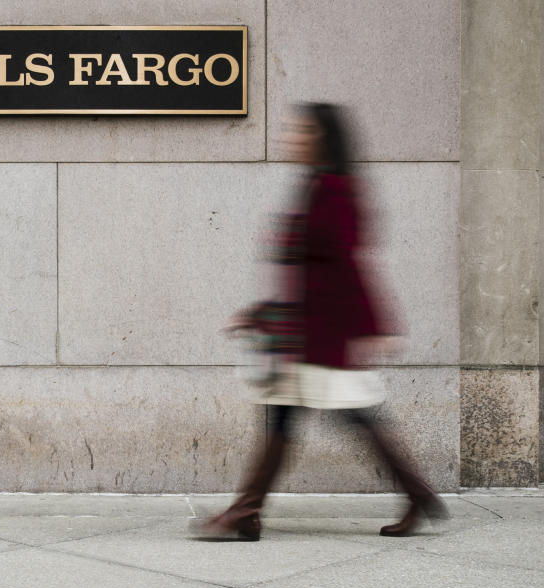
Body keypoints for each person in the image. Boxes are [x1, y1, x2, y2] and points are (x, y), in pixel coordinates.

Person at [191, 103, 447, 540]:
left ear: (321, 138)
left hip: (322, 333)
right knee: (331, 416)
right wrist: (262, 313)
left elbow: (347, 263)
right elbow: (303, 268)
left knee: (312, 416)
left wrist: (374, 325)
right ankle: (417, 494)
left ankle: (245, 514)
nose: (290, 138)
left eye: (300, 131)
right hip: (306, 331)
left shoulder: (335, 188)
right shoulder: (315, 184)